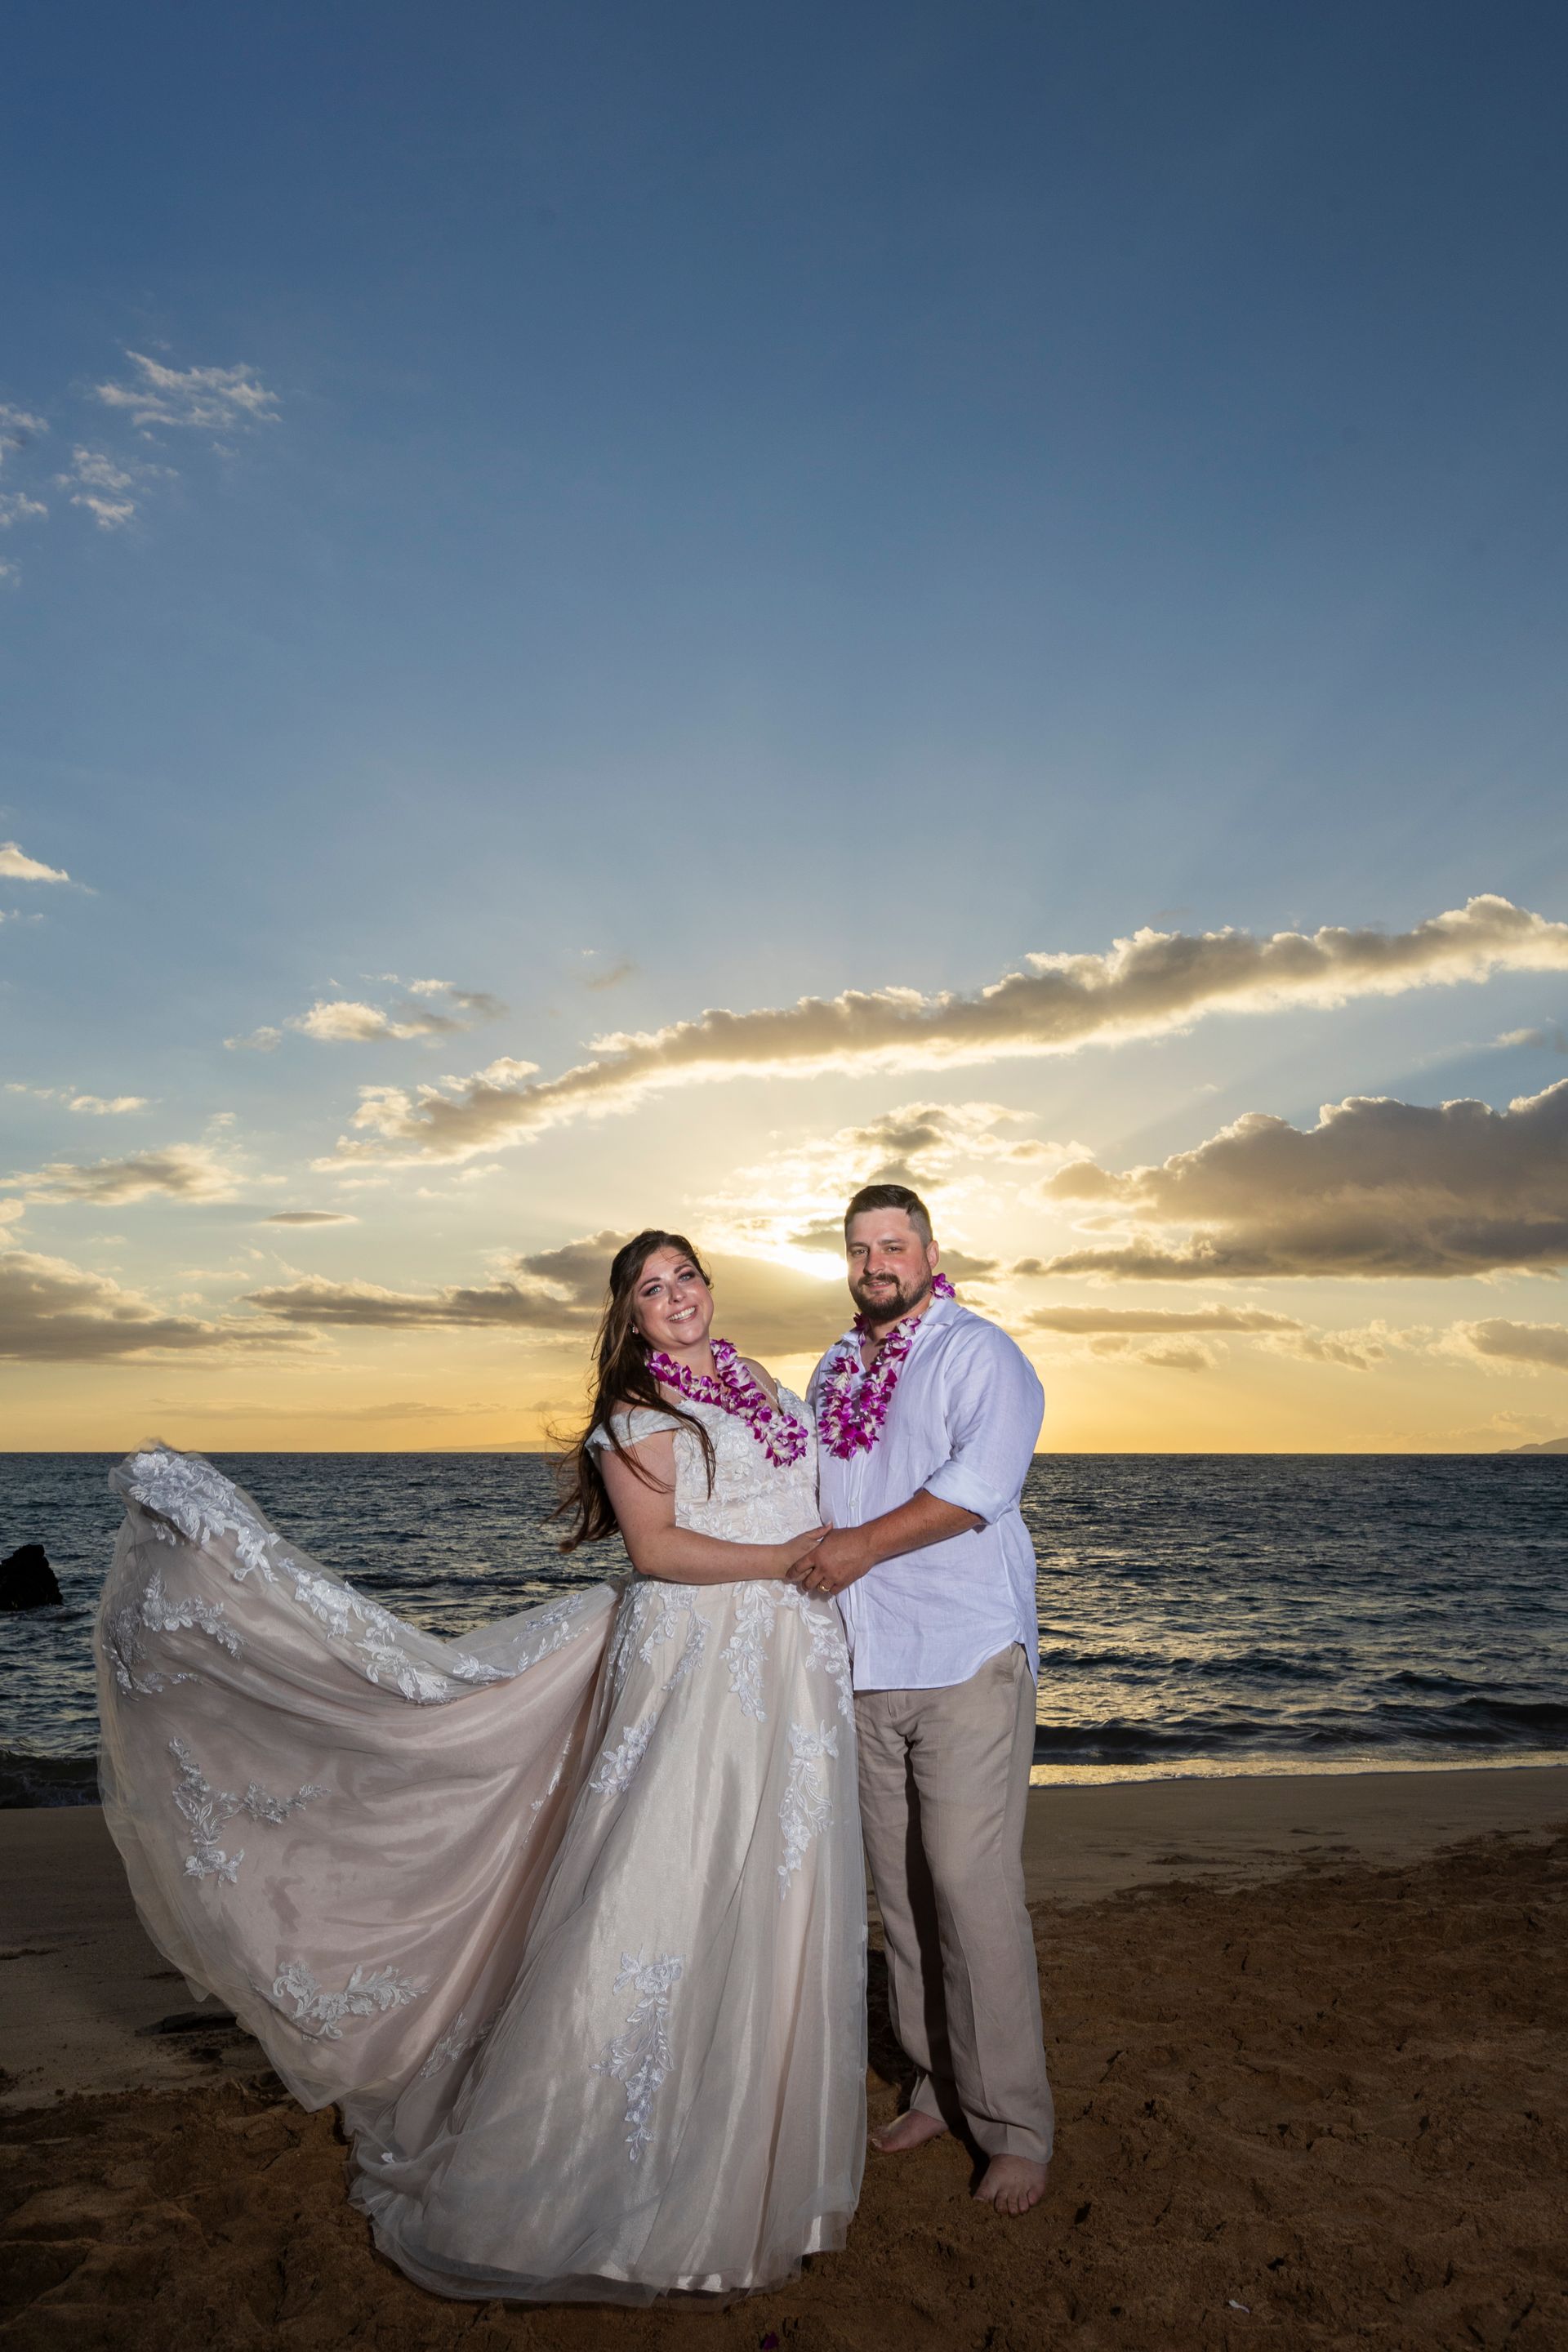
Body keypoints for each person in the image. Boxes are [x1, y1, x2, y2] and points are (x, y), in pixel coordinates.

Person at [94, 1229, 866, 2304]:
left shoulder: (760, 1384)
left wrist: (838, 1560)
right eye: (654, 1288)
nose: (679, 1295)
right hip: (701, 1661)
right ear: (629, 1317)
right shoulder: (633, 1420)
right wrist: (794, 1563)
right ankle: (587, 2164)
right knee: (672, 1876)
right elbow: (659, 1553)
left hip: (790, 1657)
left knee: (771, 1884)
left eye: (687, 1276)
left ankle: (751, 2138)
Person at [791, 1182, 1053, 2216]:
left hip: (965, 1655)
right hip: (863, 1663)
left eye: (892, 1246)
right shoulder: (835, 1366)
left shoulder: (978, 1352)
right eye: (858, 1250)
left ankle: (1018, 2127)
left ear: (928, 1249)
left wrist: (856, 1547)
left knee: (969, 1886)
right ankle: (939, 2089)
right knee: (899, 1896)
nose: (874, 1265)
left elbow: (982, 1483)